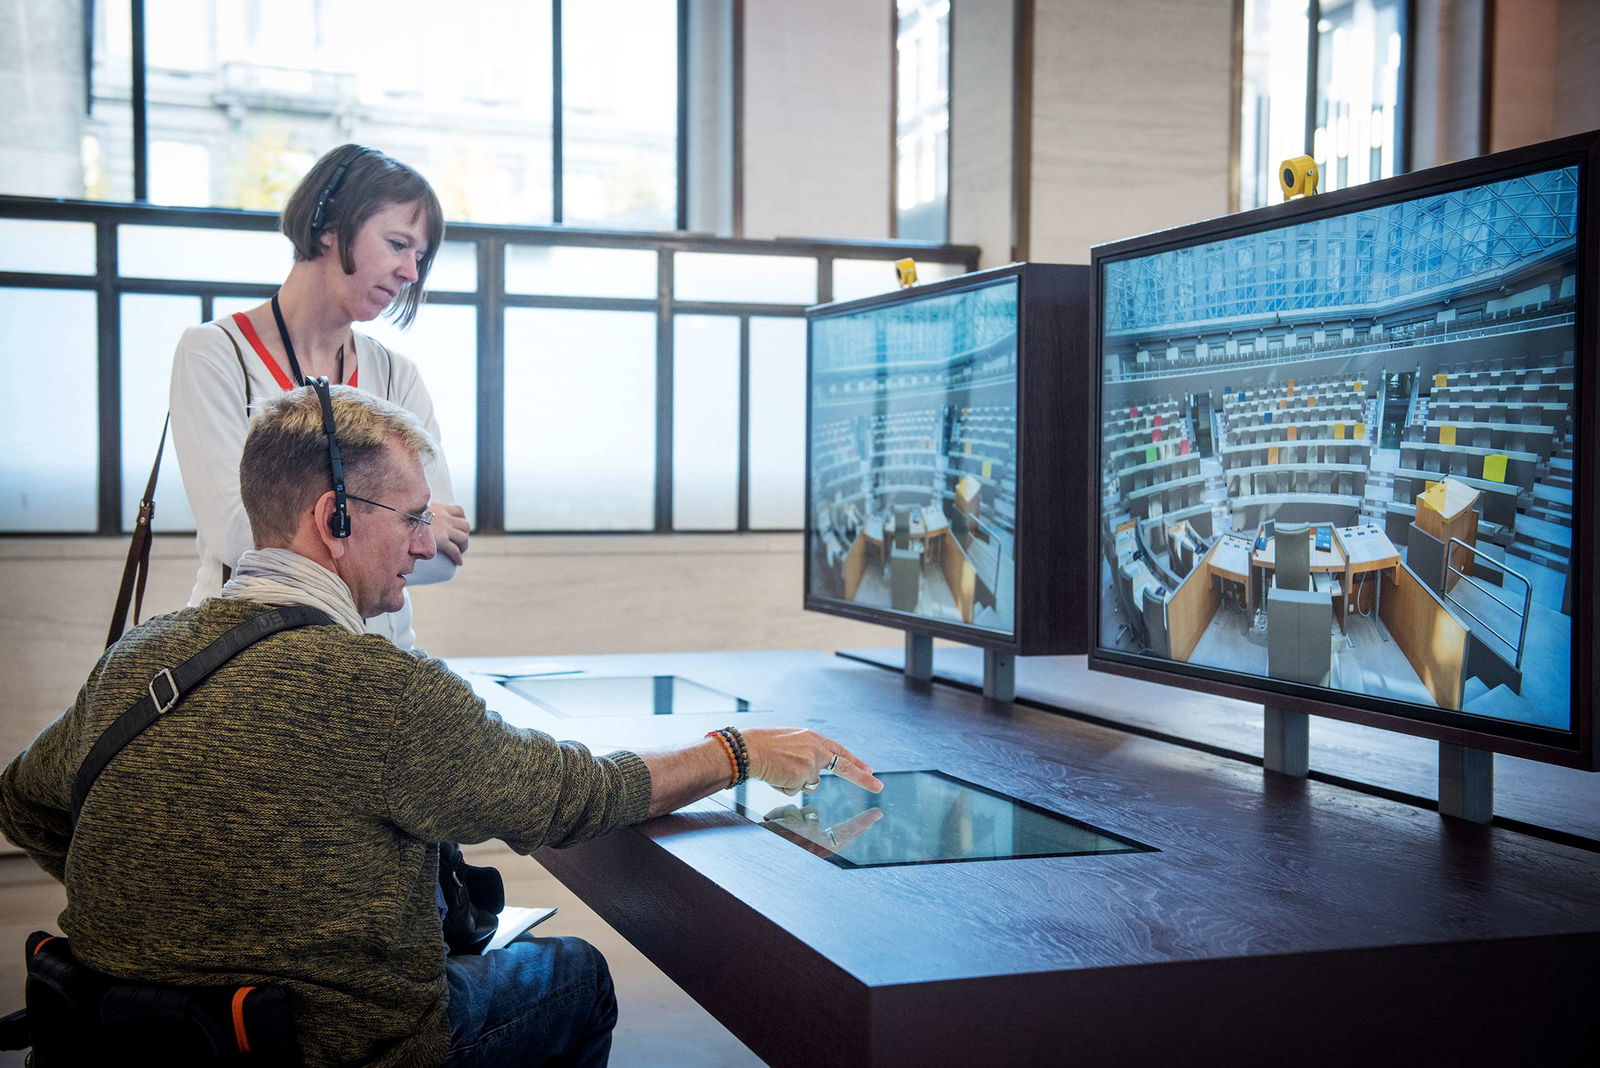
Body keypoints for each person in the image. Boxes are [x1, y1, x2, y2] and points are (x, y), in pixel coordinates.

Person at [0, 384, 881, 1068]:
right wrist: (739, 751)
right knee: (574, 975)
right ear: (333, 518)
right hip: (342, 1050)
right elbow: (568, 796)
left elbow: (28, 804)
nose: (427, 546)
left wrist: (188, 908)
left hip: (128, 1038)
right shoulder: (376, 686)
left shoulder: (141, 655)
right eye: (414, 518)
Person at [170, 143, 472, 650]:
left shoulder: (397, 374)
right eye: (398, 244)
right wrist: (407, 525)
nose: (411, 273)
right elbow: (239, 537)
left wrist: (320, 526)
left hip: (379, 663)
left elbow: (441, 555)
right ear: (328, 226)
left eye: (420, 256)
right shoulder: (216, 354)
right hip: (250, 662)